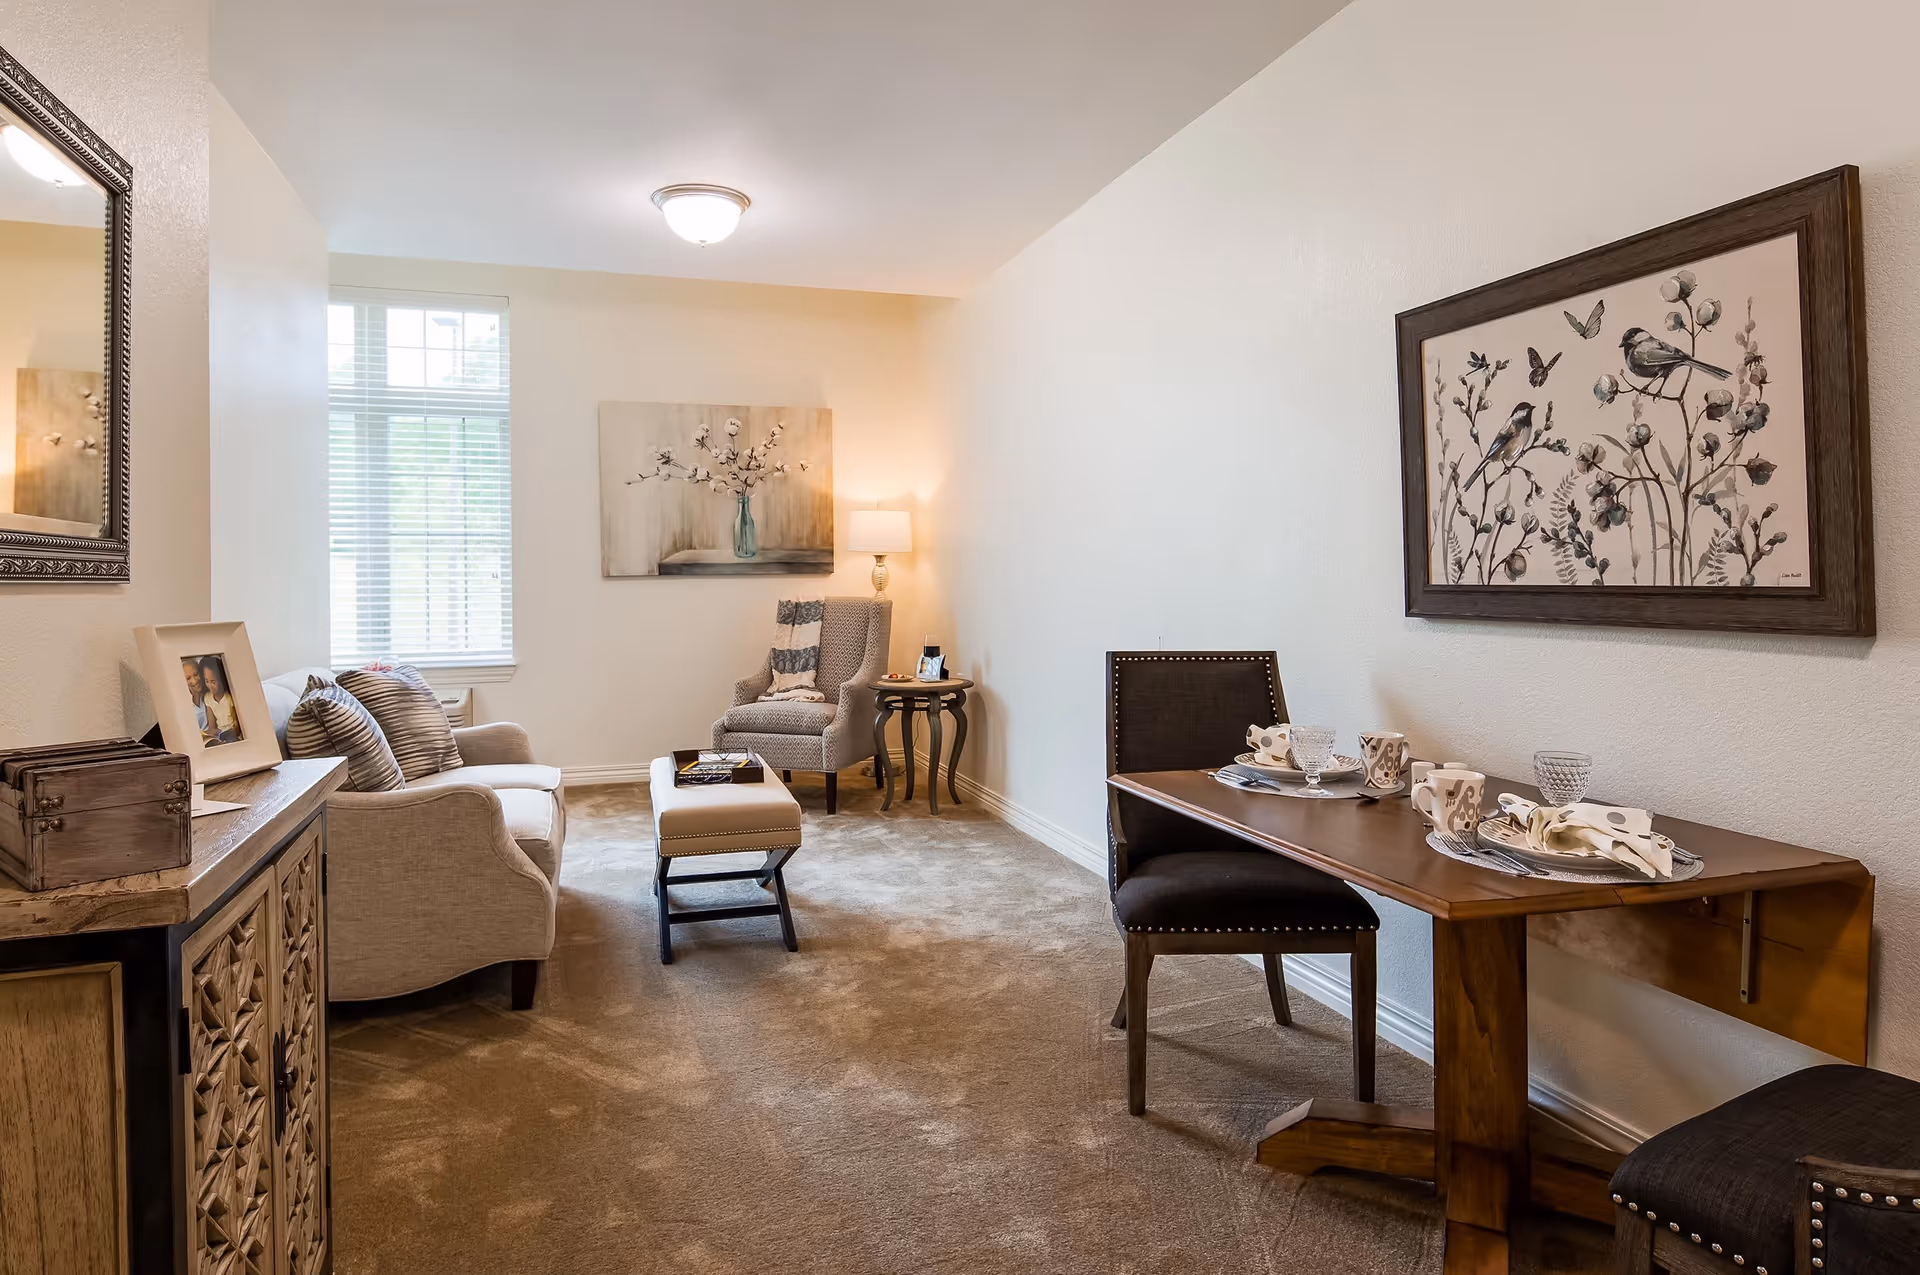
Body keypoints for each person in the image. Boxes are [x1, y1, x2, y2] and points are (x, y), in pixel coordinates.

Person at [200, 658, 241, 745]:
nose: (210, 686)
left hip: (232, 732)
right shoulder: (208, 698)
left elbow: (238, 726)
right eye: (207, 681)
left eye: (213, 682)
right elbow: (212, 726)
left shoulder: (229, 697)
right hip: (219, 734)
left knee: (230, 738)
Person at [182, 659, 213, 741]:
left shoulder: (210, 694)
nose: (195, 681)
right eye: (188, 678)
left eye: (196, 674)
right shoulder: (184, 704)